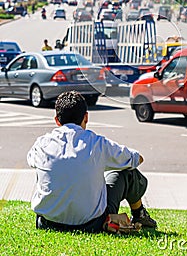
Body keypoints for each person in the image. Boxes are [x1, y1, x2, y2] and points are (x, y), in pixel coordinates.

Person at [27, 90, 156, 233]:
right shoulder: (98, 144)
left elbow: (31, 161)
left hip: (47, 223)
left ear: (57, 120)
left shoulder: (41, 144)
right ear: (86, 117)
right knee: (128, 172)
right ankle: (139, 215)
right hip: (91, 224)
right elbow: (136, 159)